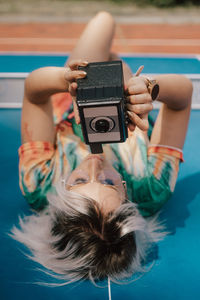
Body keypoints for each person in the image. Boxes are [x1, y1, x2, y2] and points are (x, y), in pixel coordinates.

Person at [11, 11, 193, 286]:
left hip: (69, 102)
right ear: (126, 197)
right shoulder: (151, 186)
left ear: (61, 191)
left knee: (103, 22)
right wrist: (150, 89)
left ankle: (104, 60)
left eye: (80, 180)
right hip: (136, 106)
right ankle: (113, 63)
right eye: (108, 182)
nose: (95, 164)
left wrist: (65, 80)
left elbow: (33, 95)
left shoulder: (38, 183)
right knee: (116, 63)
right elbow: (182, 99)